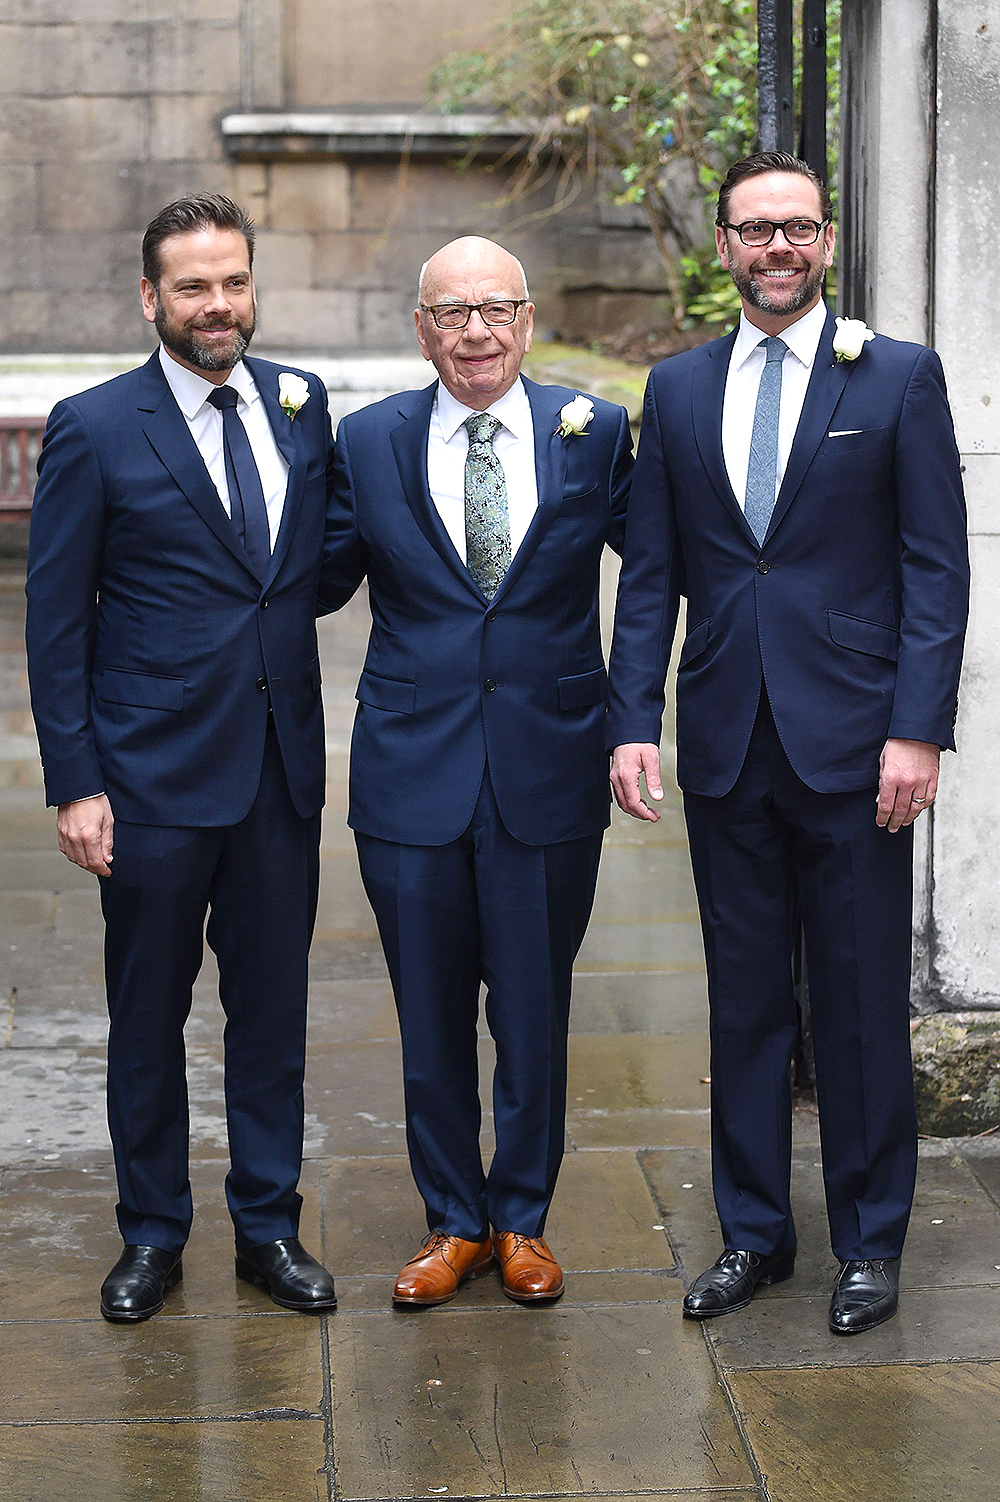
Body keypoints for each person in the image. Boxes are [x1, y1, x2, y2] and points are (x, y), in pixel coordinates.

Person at [608, 152, 969, 1335]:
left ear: (825, 243)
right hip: (724, 740)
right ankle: (754, 1231)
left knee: (861, 1001)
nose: (776, 248)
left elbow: (934, 567)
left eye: (796, 229)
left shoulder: (898, 379)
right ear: (722, 244)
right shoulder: (674, 389)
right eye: (755, 229)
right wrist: (632, 721)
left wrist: (917, 727)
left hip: (860, 741)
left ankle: (870, 1240)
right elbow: (653, 573)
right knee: (744, 1000)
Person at [25, 194, 338, 1321]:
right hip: (149, 776)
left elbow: (319, 563)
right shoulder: (97, 424)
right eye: (195, 287)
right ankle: (152, 1231)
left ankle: (268, 1226)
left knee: (271, 1013)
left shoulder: (302, 409)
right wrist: (75, 780)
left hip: (276, 770)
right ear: (151, 297)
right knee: (147, 1016)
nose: (219, 305)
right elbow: (56, 619)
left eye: (235, 281)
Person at [321, 236, 632, 1307]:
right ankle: (452, 1219)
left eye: (496, 307)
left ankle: (523, 1218)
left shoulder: (593, 433)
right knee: (431, 1011)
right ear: (421, 330)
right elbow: (301, 575)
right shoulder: (364, 442)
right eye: (451, 313)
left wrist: (631, 714)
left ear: (528, 318)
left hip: (549, 763)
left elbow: (663, 569)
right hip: (411, 769)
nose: (475, 331)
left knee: (535, 1007)